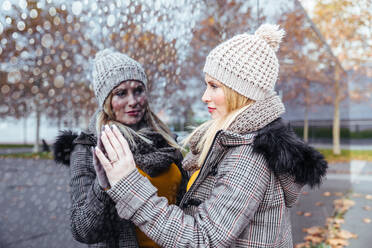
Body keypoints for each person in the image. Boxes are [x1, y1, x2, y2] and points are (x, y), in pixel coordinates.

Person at [94, 24, 328, 248]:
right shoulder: (233, 142)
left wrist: (128, 184)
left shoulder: (248, 155)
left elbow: (203, 239)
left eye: (214, 86)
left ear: (240, 91)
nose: (205, 96)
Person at [53, 49, 187, 248]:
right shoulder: (89, 149)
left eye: (138, 90)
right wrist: (103, 186)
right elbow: (83, 230)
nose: (133, 101)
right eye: (121, 93)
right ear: (106, 102)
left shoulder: (167, 141)